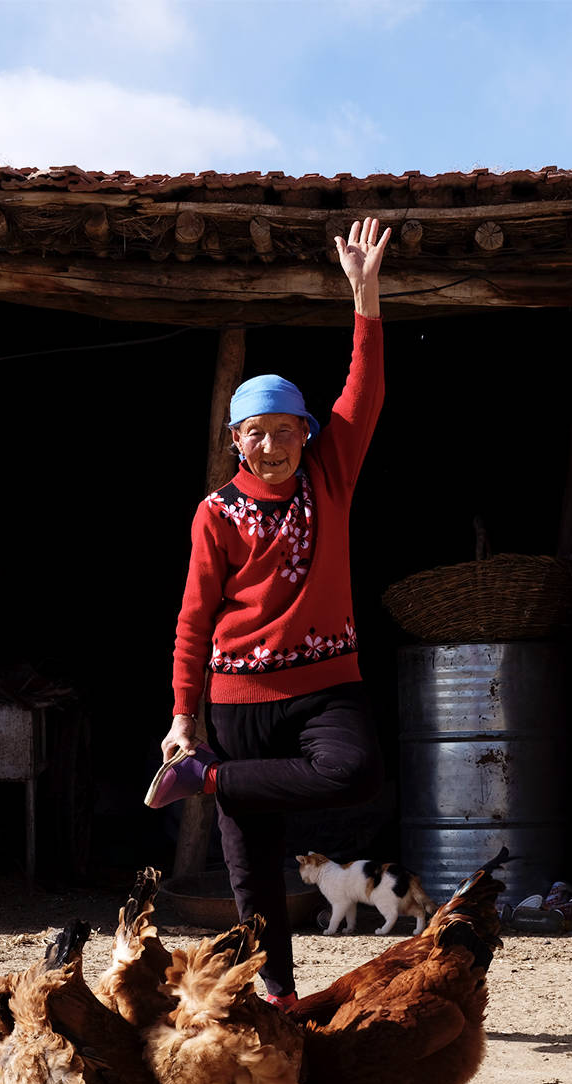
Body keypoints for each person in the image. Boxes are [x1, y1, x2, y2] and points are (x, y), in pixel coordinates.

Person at [147, 217, 393, 1007]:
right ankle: (278, 995)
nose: (274, 446)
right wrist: (185, 715)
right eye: (258, 434)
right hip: (239, 699)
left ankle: (206, 779)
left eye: (287, 432)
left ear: (307, 436)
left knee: (355, 772)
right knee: (250, 865)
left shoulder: (331, 479)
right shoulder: (215, 512)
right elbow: (193, 620)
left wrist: (365, 297)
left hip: (326, 687)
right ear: (237, 443)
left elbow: (368, 390)